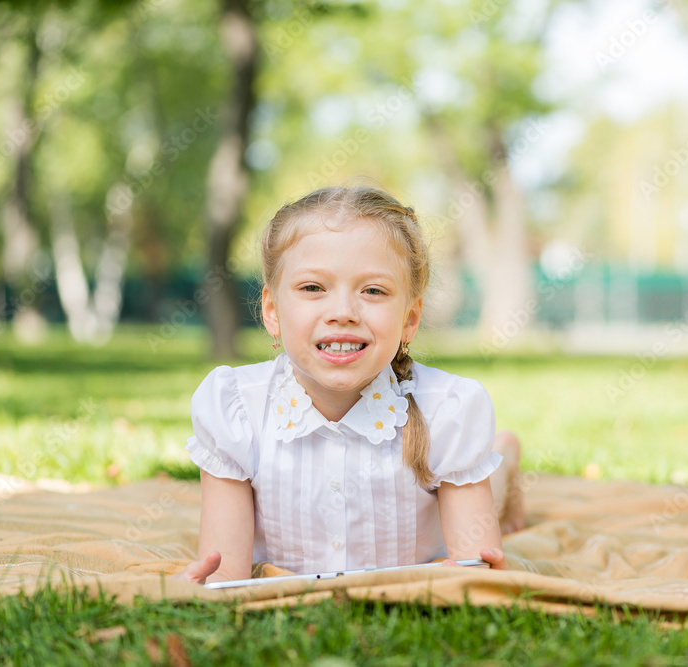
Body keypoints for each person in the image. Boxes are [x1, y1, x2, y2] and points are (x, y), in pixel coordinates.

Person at [177, 185, 524, 585]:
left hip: (440, 515)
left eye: (373, 291)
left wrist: (482, 569)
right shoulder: (236, 408)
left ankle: (503, 458)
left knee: (486, 491)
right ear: (272, 311)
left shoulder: (447, 411)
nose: (342, 313)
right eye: (313, 288)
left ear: (410, 319)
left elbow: (477, 573)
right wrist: (206, 584)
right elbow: (225, 578)